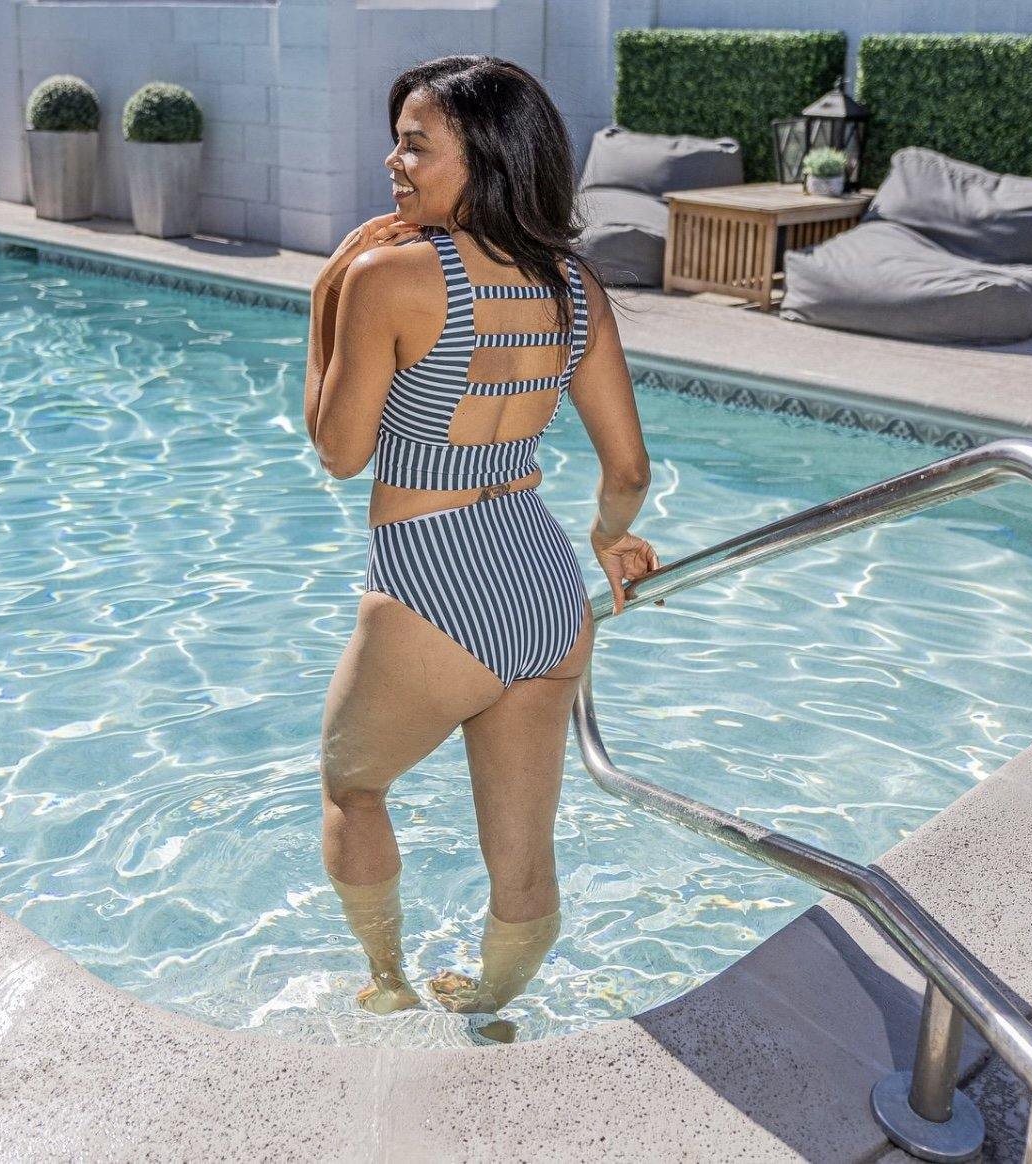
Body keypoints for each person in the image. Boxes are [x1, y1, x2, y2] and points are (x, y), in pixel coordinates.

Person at [304, 55, 660, 1025]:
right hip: (545, 586)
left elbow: (339, 452)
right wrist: (610, 538)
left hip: (434, 585)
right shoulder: (574, 285)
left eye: (416, 146)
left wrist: (328, 291)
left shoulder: (386, 276)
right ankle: (493, 1008)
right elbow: (629, 469)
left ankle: (389, 983)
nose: (394, 162)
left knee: (351, 787)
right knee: (524, 858)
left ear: (486, 157)